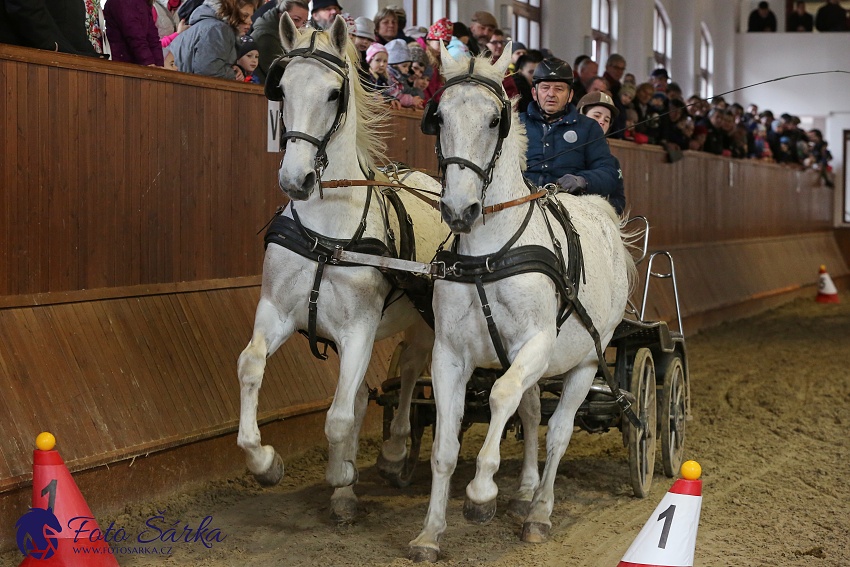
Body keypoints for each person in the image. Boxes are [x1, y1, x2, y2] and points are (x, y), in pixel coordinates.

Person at [520, 59, 623, 214]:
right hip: (519, 203)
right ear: (534, 93)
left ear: (570, 95)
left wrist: (582, 180)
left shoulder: (588, 127)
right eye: (545, 88)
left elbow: (608, 173)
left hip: (569, 208)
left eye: (559, 89)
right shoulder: (516, 123)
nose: (551, 94)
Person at [170, 0, 260, 80]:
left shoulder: (212, 26)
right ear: (232, 11)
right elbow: (208, 72)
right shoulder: (217, 29)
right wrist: (234, 74)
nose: (250, 21)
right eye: (245, 16)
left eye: (250, 17)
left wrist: (232, 68)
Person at [576, 92, 625, 214]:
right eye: (597, 116)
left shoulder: (613, 162)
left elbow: (619, 201)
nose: (602, 121)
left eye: (606, 120)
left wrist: (599, 208)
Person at [0, 0, 105, 56]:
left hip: (67, 64)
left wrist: (91, 57)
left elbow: (72, 24)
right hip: (27, 61)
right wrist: (54, 46)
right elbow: (25, 9)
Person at [250, 0, 308, 84]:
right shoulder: (266, 37)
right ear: (281, 16)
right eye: (296, 19)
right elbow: (282, 75)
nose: (300, 26)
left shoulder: (288, 35)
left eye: (304, 23)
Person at [104, 0, 164, 66]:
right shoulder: (123, 2)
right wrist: (149, 63)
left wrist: (159, 65)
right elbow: (134, 36)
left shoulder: (142, 3)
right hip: (122, 65)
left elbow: (153, 38)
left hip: (135, 63)